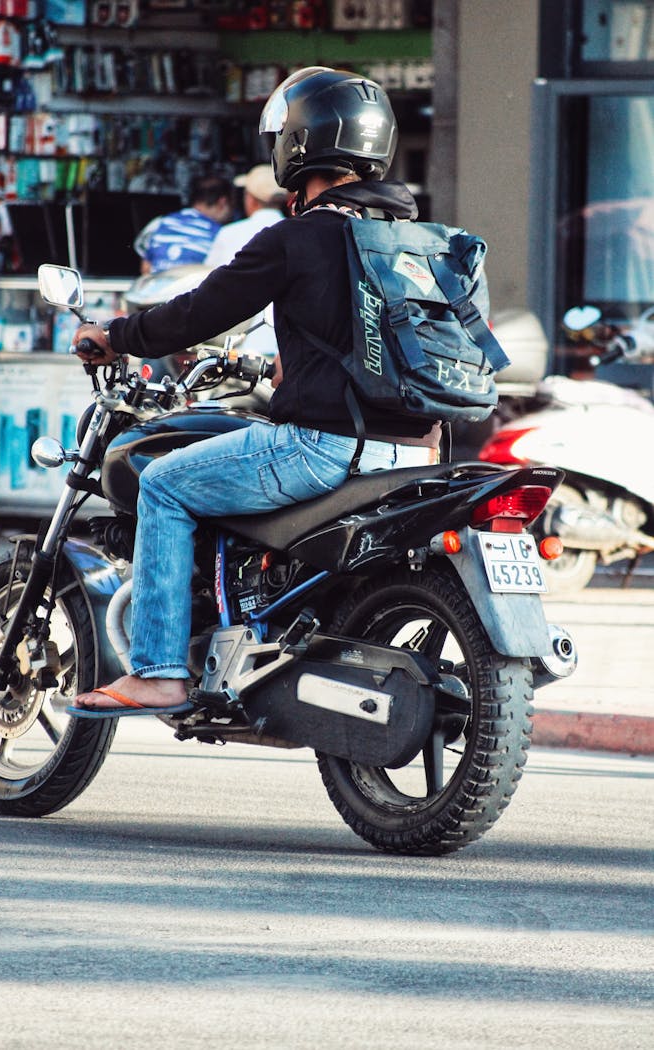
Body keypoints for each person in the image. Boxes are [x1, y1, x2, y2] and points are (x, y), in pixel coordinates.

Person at [68, 66, 444, 718]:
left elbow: (196, 314)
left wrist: (118, 334)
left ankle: (157, 671)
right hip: (419, 454)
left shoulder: (297, 238)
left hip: (326, 450)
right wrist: (279, 373)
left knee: (164, 484)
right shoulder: (422, 243)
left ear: (299, 145)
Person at [205, 163, 289, 355]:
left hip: (241, 348)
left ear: (250, 200)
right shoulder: (297, 234)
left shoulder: (230, 233)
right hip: (284, 351)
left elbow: (208, 286)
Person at [133, 174, 234, 274]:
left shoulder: (159, 223)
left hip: (157, 287)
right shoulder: (222, 234)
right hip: (195, 288)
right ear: (222, 203)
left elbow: (146, 268)